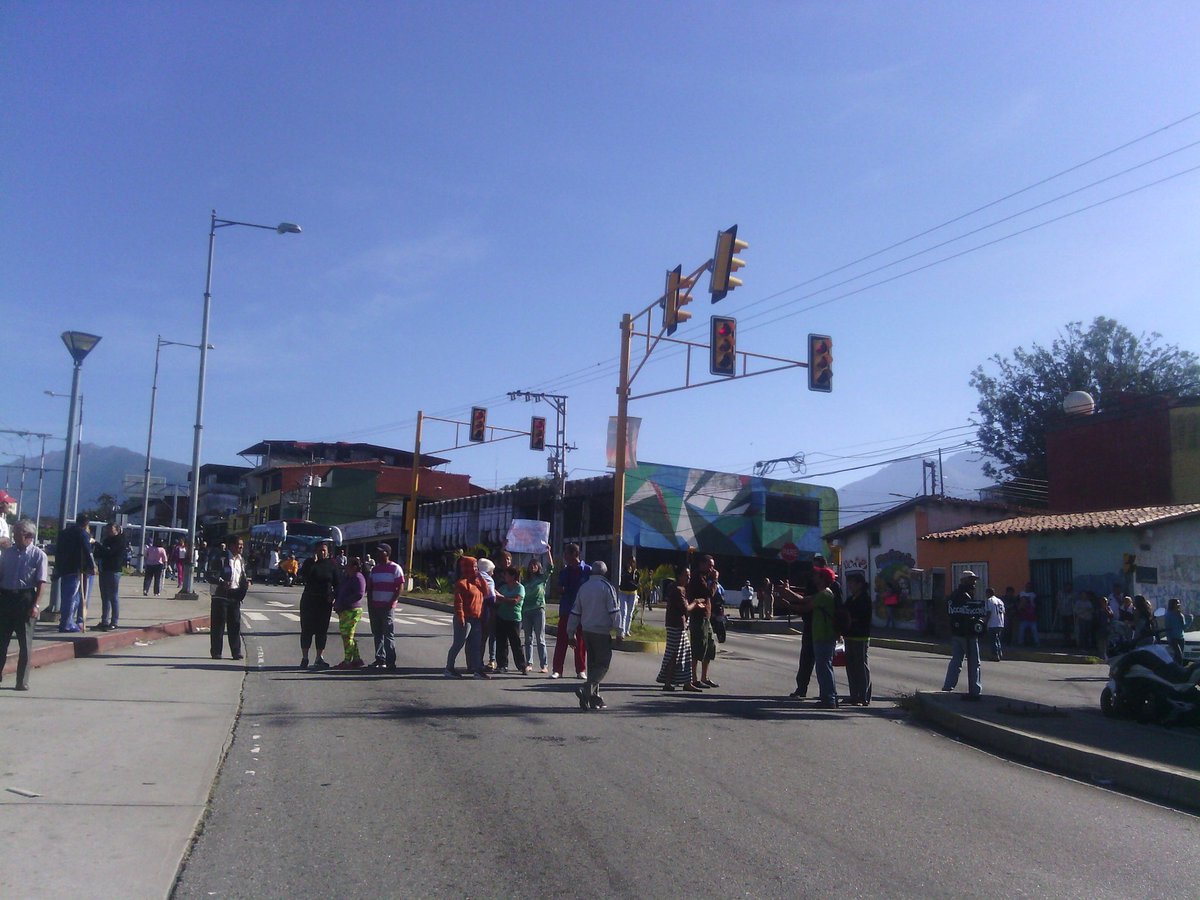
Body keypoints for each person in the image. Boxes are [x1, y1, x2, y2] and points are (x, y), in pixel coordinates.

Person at [0, 520, 48, 691]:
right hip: (6, 598)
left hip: (25, 599)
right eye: (14, 532)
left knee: (24, 644)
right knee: (1, 641)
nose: (14, 535)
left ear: (28, 535)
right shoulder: (7, 553)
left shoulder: (38, 555)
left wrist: (36, 605)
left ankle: (21, 681)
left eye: (18, 532)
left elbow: (42, 583)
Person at [567, 560, 621, 710]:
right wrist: (619, 631)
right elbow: (614, 612)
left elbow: (575, 611)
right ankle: (587, 689)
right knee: (603, 664)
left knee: (592, 665)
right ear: (605, 572)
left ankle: (592, 699)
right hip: (601, 632)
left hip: (586, 631)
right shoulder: (607, 587)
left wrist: (570, 633)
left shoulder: (584, 588)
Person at [942, 571, 984, 700]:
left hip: (956, 633)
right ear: (965, 581)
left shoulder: (953, 595)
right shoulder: (965, 596)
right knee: (974, 663)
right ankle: (975, 690)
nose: (974, 583)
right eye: (972, 580)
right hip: (967, 634)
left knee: (956, 660)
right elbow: (969, 614)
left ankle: (948, 686)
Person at [552, 543, 590, 680]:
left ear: (575, 554)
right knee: (562, 640)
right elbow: (559, 589)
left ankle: (581, 669)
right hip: (566, 609)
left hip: (582, 611)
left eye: (567, 554)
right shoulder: (564, 571)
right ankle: (557, 670)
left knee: (580, 642)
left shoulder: (587, 570)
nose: (565, 557)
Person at [656, 569, 699, 692]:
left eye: (689, 575)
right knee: (675, 654)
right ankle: (669, 682)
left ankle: (684, 682)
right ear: (679, 576)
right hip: (676, 626)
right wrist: (695, 603)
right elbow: (686, 609)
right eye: (686, 575)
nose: (689, 578)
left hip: (677, 625)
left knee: (683, 653)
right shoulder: (678, 590)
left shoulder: (677, 588)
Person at [298, 542, 339, 670]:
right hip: (309, 600)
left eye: (324, 550)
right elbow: (303, 577)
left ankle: (319, 658)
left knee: (322, 631)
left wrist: (334, 595)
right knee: (307, 630)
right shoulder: (309, 563)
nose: (322, 553)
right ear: (315, 551)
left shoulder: (332, 564)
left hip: (324, 602)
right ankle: (305, 658)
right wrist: (312, 563)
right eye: (320, 550)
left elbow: (338, 583)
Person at [365, 542, 404, 671]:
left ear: (387, 553)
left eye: (380, 551)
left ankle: (390, 661)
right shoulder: (374, 569)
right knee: (377, 633)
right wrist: (370, 603)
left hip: (388, 607)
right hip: (375, 606)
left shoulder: (395, 568)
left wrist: (392, 602)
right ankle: (379, 658)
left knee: (388, 634)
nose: (378, 554)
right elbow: (370, 588)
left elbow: (400, 587)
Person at [446, 555, 486, 678]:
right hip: (465, 619)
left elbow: (486, 592)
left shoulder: (477, 582)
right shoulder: (462, 584)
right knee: (458, 643)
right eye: (473, 566)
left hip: (476, 619)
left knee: (476, 646)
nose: (475, 569)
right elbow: (459, 602)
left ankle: (478, 670)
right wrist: (460, 617)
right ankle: (449, 668)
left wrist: (480, 578)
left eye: (476, 567)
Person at [210, 536, 250, 660]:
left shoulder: (241, 560)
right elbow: (211, 574)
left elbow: (241, 575)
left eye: (242, 545)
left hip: (235, 595)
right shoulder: (220, 558)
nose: (241, 547)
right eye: (239, 545)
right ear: (231, 545)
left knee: (235, 624)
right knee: (219, 624)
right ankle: (216, 652)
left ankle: (236, 652)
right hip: (220, 595)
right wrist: (221, 582)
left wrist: (246, 582)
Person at [56, 512, 95, 632]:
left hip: (65, 567)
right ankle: (67, 623)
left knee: (66, 596)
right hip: (76, 567)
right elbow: (87, 550)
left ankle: (65, 621)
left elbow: (58, 550)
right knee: (73, 596)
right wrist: (92, 566)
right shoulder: (82, 533)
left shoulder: (64, 533)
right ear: (86, 523)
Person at [687, 555, 720, 689]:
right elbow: (709, 593)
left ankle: (704, 677)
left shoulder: (707, 578)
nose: (712, 569)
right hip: (698, 617)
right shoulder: (698, 577)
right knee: (698, 647)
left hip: (706, 617)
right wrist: (715, 580)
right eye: (709, 565)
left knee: (709, 647)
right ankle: (694, 678)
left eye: (712, 566)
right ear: (702, 564)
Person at [521, 549, 553, 673]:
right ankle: (529, 663)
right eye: (531, 565)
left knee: (540, 638)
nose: (532, 567)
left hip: (538, 610)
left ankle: (544, 665)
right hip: (526, 611)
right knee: (528, 639)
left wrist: (548, 552)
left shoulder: (542, 579)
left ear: (538, 566)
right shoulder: (525, 581)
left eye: (535, 565)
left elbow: (551, 567)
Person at [494, 566, 531, 673]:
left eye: (506, 574)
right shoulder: (503, 587)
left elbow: (515, 601)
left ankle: (521, 665)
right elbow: (496, 600)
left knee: (516, 643)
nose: (504, 576)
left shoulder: (520, 588)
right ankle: (502, 665)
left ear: (513, 576)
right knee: (501, 642)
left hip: (514, 619)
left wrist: (502, 598)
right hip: (501, 617)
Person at [844, 571, 872, 705]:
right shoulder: (850, 599)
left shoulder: (865, 599)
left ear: (860, 584)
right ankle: (853, 695)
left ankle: (864, 696)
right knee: (851, 667)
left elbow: (862, 617)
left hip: (860, 636)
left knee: (861, 666)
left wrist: (851, 619)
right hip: (849, 636)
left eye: (852, 582)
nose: (849, 585)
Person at [333, 557, 366, 669]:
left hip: (352, 610)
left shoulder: (358, 577)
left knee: (347, 636)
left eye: (348, 565)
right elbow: (340, 590)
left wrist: (344, 602)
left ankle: (347, 661)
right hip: (344, 610)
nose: (346, 567)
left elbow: (359, 594)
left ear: (354, 567)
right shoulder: (347, 578)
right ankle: (356, 659)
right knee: (347, 636)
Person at [94, 522, 127, 630]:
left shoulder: (120, 540)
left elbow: (110, 552)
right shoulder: (106, 540)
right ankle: (104, 620)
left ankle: (114, 621)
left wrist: (97, 544)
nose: (108, 531)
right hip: (104, 569)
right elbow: (100, 553)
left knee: (113, 596)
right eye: (107, 529)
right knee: (104, 597)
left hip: (114, 570)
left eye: (110, 529)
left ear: (116, 530)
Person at [477, 557, 499, 670]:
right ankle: (487, 660)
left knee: (480, 637)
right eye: (492, 570)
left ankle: (477, 660)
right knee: (487, 635)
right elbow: (491, 597)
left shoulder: (477, 576)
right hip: (487, 609)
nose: (493, 573)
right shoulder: (488, 579)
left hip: (477, 609)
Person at [1163, 598, 1189, 664]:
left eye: (1179, 603)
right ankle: (1179, 671)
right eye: (1177, 603)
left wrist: (1190, 620)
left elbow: (1184, 627)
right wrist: (1169, 638)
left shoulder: (1180, 615)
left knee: (1178, 657)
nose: (1178, 605)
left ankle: (1175, 669)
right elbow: (1167, 627)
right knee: (1179, 656)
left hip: (1181, 638)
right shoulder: (1168, 615)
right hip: (1173, 638)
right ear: (1172, 605)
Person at [617, 560, 639, 638]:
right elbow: (625, 580)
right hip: (623, 593)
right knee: (623, 612)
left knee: (630, 613)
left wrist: (633, 572)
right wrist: (629, 573)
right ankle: (622, 631)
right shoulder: (623, 571)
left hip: (632, 593)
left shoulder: (636, 573)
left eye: (633, 562)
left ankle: (627, 630)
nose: (631, 564)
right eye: (630, 562)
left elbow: (636, 583)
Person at [984, 586, 1005, 662]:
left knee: (993, 640)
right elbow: (1003, 612)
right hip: (1000, 623)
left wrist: (985, 622)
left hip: (993, 623)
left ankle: (995, 655)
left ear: (989, 593)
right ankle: (999, 652)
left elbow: (989, 612)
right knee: (997, 639)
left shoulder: (990, 600)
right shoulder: (1000, 601)